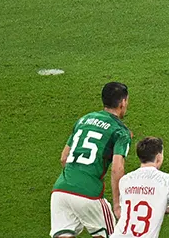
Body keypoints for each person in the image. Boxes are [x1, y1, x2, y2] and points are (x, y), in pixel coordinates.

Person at [52, 82, 135, 238]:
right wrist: (117, 204)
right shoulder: (121, 131)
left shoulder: (84, 120)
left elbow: (64, 158)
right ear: (123, 102)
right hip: (89, 194)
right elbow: (117, 169)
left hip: (60, 190)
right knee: (112, 235)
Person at [113, 137, 169, 238]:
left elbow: (133, 210)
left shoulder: (125, 180)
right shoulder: (167, 181)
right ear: (158, 157)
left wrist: (166, 209)